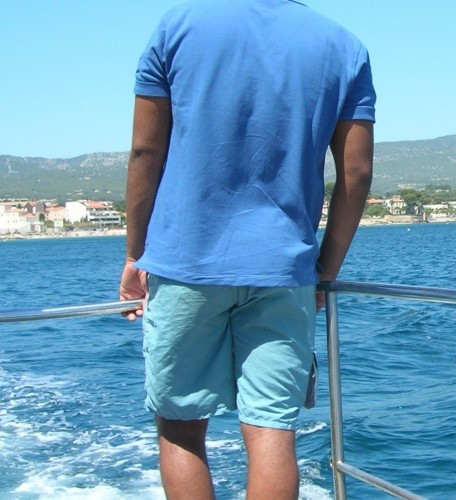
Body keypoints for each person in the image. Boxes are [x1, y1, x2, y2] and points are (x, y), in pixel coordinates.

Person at [118, 1, 375, 498]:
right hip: (284, 270)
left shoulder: (177, 27)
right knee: (271, 430)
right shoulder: (344, 46)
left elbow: (145, 150)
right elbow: (357, 172)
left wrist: (135, 255)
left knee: (181, 429)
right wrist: (324, 269)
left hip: (186, 266)